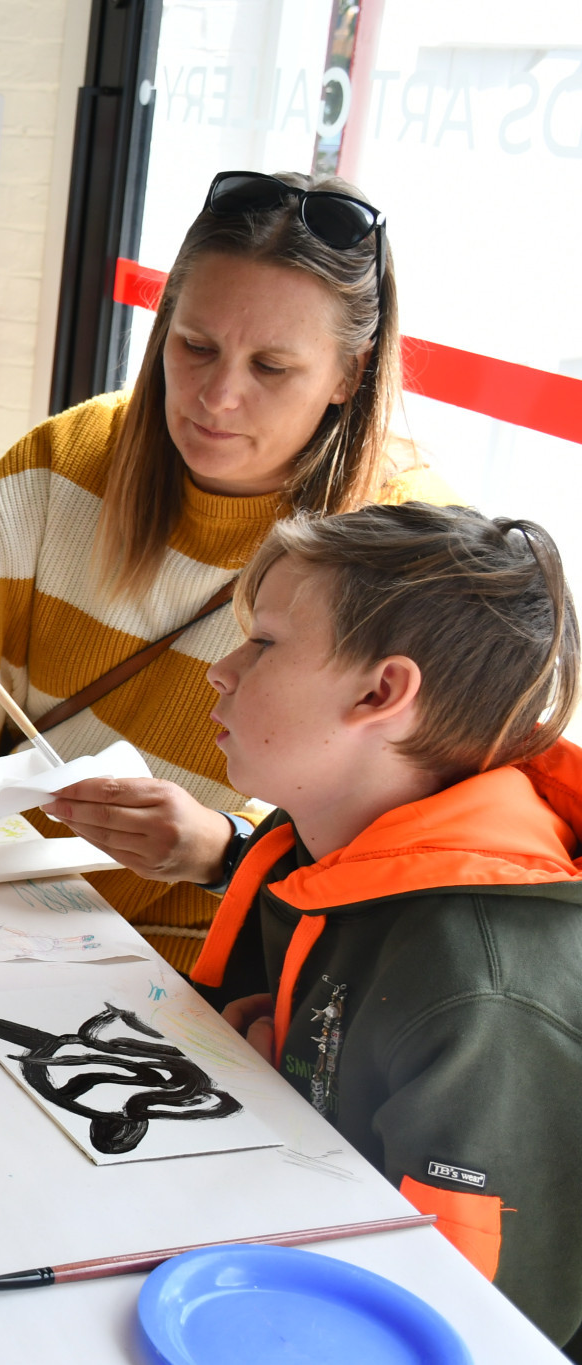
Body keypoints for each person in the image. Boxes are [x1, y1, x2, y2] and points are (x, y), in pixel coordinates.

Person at [0, 170, 450, 969]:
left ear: (351, 373)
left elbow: (426, 871)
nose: (217, 395)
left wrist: (222, 852)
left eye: (271, 368)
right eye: (195, 345)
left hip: (208, 986)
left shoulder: (408, 556)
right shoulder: (80, 457)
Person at [187, 503, 582, 1351]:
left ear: (381, 692)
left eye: (263, 643)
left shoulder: (484, 992)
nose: (221, 670)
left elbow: (473, 1325)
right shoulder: (318, 848)